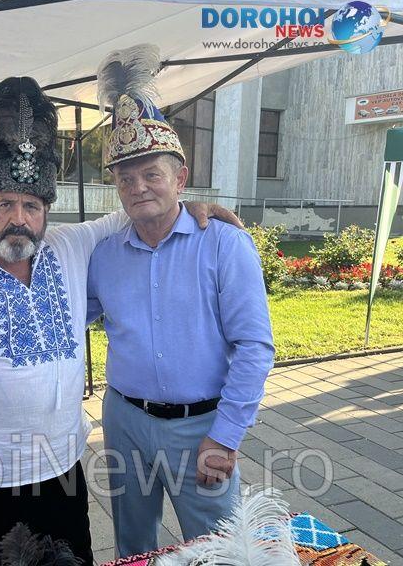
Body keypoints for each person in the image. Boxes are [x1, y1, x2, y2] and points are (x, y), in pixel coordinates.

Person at [0, 77, 239, 566]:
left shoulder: (68, 246)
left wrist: (190, 206)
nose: (19, 219)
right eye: (5, 204)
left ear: (46, 211)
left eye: (32, 206)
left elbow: (138, 211)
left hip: (61, 467)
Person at [87, 45, 274, 557]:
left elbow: (255, 346)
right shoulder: (104, 255)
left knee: (218, 549)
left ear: (180, 179)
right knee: (132, 544)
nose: (138, 187)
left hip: (202, 428)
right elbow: (67, 319)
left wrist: (226, 436)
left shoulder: (224, 244)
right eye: (126, 178)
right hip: (124, 421)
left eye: (152, 174)